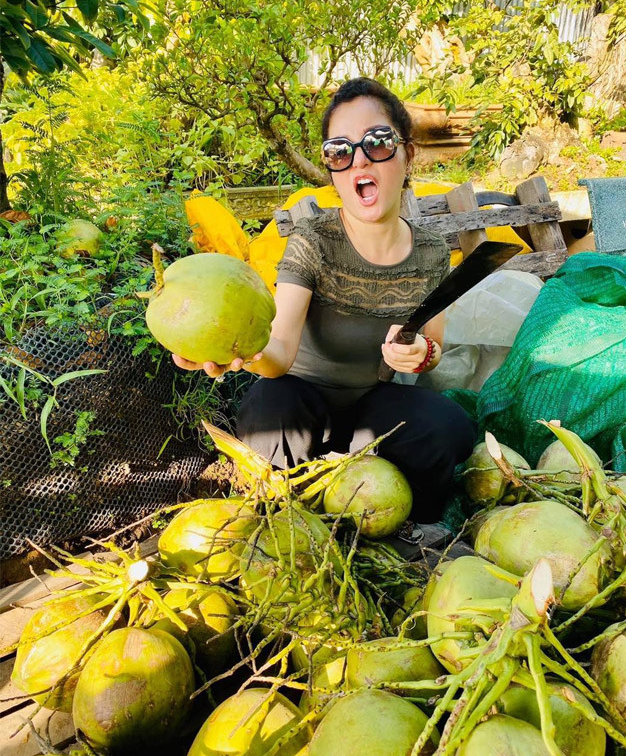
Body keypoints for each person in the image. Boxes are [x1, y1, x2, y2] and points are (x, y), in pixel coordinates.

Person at [173, 77, 477, 544]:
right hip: (302, 403)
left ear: (408, 154)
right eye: (340, 150)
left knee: (450, 428)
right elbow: (280, 351)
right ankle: (284, 521)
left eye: (376, 143)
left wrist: (419, 351)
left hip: (371, 412)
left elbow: (432, 347)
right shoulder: (312, 241)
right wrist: (242, 351)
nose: (359, 159)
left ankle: (404, 526)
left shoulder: (432, 253)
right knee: (267, 409)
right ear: (332, 168)